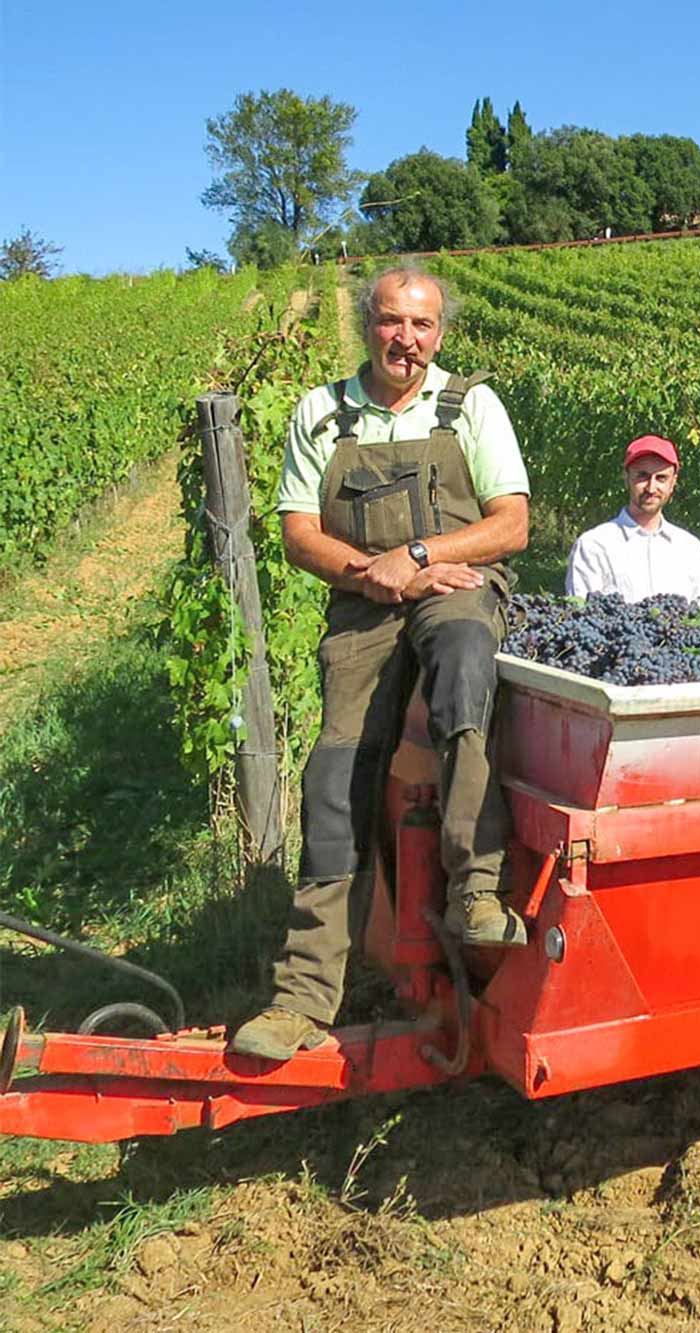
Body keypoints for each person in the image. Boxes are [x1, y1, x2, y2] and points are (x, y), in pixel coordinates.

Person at [232, 265, 531, 1061]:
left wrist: (420, 554)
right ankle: (301, 996)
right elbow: (299, 533)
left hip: (453, 583)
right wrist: (377, 571)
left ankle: (476, 885)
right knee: (335, 776)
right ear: (368, 325)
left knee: (468, 657)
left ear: (441, 333)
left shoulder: (472, 404)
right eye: (393, 322)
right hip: (365, 599)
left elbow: (510, 524)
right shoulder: (322, 413)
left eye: (423, 325)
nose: (408, 339)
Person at [565, 436, 700, 602]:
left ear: (673, 483)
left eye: (661, 478)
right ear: (626, 477)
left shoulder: (690, 548)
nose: (651, 487)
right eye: (642, 476)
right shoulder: (594, 546)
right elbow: (580, 617)